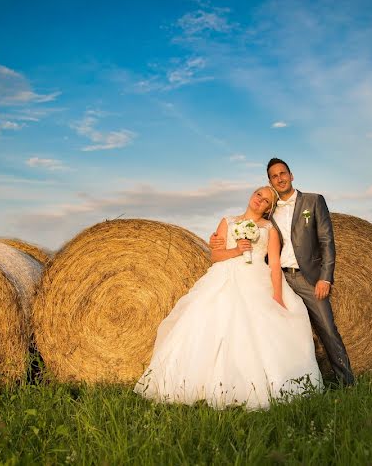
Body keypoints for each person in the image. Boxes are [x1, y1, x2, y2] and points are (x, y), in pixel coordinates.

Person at [134, 186, 323, 410]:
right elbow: (215, 256)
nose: (259, 200)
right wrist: (236, 250)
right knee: (207, 321)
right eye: (258, 195)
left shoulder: (269, 229)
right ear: (252, 195)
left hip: (255, 278)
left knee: (255, 328)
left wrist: (278, 295)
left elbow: (273, 263)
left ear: (268, 209)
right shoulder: (228, 221)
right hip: (224, 275)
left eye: (265, 201)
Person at [211, 158, 355, 387]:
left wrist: (325, 277)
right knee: (278, 328)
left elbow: (327, 241)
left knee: (327, 328)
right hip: (276, 276)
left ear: (291, 175)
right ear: (269, 181)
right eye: (274, 176)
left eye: (282, 173)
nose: (279, 178)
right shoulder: (270, 210)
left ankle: (347, 383)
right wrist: (221, 243)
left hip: (307, 276)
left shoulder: (313, 201)